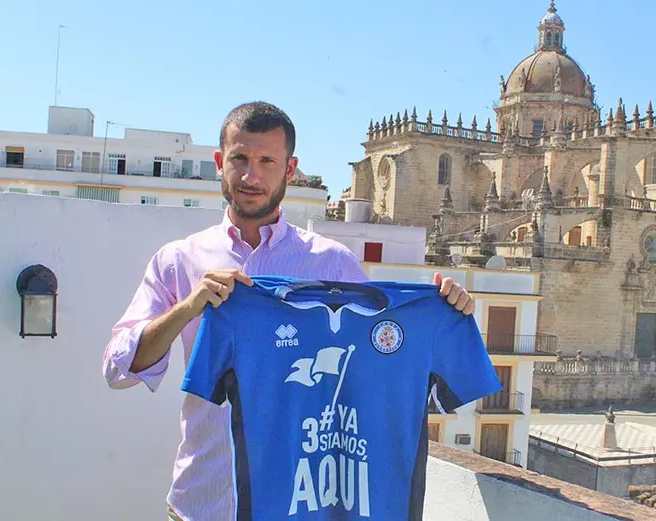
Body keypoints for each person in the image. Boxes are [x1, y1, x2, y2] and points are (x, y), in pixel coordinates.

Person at [101, 101, 476, 521]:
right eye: (240, 159)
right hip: (203, 503)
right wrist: (188, 309)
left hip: (299, 507)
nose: (251, 176)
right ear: (220, 162)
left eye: (267, 161)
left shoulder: (333, 264)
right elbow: (118, 371)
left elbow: (374, 361)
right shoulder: (177, 260)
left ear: (290, 169)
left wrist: (444, 312)